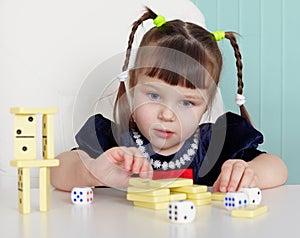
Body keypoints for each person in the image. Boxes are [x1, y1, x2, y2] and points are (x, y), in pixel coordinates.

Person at [50, 7, 288, 192]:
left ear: (206, 105)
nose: (167, 114)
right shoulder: (116, 144)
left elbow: (278, 168)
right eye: (154, 95)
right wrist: (92, 171)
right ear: (133, 85)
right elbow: (58, 170)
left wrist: (249, 172)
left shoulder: (215, 145)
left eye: (187, 103)